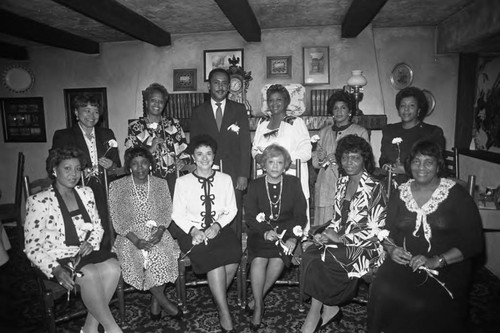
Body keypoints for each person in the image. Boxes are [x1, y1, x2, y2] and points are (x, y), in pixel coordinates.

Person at [367, 141, 484, 333]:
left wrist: (436, 261)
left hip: (446, 266)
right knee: (382, 289)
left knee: (421, 303)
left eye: (428, 162)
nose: (421, 167)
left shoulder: (457, 195)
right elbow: (387, 232)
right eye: (416, 161)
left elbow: (473, 243)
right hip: (404, 261)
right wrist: (392, 249)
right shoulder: (400, 192)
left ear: (438, 165)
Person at [24, 147, 122, 333]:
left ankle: (89, 328)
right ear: (54, 169)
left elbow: (97, 227)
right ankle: (113, 329)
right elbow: (31, 247)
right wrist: (55, 268)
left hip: (85, 253)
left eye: (78, 169)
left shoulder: (86, 193)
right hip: (57, 257)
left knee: (113, 268)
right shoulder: (39, 201)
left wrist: (91, 243)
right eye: (67, 168)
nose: (74, 174)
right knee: (90, 274)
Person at [300, 135, 387, 333]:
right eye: (345, 157)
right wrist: (325, 233)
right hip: (341, 241)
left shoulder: (375, 188)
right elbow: (338, 219)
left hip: (366, 247)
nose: (349, 163)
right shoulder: (342, 182)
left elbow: (377, 230)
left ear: (364, 159)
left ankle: (314, 315)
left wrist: (339, 238)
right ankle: (330, 308)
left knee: (324, 255)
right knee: (311, 251)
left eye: (355, 158)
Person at [171, 134, 242, 333]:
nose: (204, 158)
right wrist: (194, 230)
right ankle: (224, 310)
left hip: (219, 228)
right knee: (215, 261)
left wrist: (218, 226)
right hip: (191, 231)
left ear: (214, 156)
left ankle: (216, 294)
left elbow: (232, 209)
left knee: (234, 253)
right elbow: (177, 214)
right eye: (199, 154)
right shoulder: (183, 182)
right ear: (193, 156)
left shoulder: (225, 179)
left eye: (208, 154)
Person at [108, 147, 181, 321]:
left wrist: (161, 230)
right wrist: (136, 241)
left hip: (157, 232)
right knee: (141, 257)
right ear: (129, 167)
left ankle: (155, 302)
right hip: (129, 236)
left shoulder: (160, 183)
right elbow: (117, 219)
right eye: (135, 164)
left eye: (144, 163)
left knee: (162, 254)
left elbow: (166, 210)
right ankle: (164, 302)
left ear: (150, 165)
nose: (140, 168)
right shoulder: (117, 186)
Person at [244, 144, 308, 331]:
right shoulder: (255, 185)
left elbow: (300, 215)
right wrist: (264, 231)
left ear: (285, 166)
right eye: (270, 162)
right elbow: (250, 216)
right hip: (260, 234)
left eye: (279, 162)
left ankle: (257, 299)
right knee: (258, 262)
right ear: (264, 164)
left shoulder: (293, 183)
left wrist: (293, 239)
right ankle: (259, 307)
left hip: (286, 234)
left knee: (278, 261)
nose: (274, 166)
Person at [52, 93, 121, 251]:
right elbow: (53, 165)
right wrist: (79, 170)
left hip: (104, 191)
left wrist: (111, 166)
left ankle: (107, 258)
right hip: (77, 191)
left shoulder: (107, 134)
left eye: (95, 111)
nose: (92, 115)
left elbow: (118, 168)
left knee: (108, 227)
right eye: (87, 110)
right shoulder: (63, 135)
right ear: (76, 112)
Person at [190, 68, 251, 238]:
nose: (220, 87)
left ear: (229, 86)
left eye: (225, 83)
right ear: (209, 86)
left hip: (234, 173)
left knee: (233, 215)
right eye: (216, 83)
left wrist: (243, 174)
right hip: (207, 172)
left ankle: (234, 258)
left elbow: (245, 144)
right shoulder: (198, 112)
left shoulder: (238, 110)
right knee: (209, 213)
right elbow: (194, 145)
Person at [252, 84, 312, 227]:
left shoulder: (296, 122)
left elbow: (306, 151)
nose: (274, 104)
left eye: (279, 100)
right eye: (271, 100)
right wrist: (259, 157)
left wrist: (284, 160)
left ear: (286, 101)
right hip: (266, 179)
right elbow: (254, 148)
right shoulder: (263, 123)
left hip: (291, 179)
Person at [312, 90, 369, 226]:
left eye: (343, 108)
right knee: (323, 231)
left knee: (346, 228)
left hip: (349, 187)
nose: (339, 112)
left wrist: (339, 160)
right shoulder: (324, 132)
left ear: (350, 111)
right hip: (326, 187)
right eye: (335, 108)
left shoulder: (360, 132)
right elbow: (315, 163)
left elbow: (365, 162)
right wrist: (321, 159)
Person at [125, 83, 190, 195]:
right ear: (146, 102)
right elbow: (129, 158)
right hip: (146, 179)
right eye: (153, 100)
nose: (157, 104)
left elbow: (185, 150)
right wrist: (150, 150)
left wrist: (183, 161)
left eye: (161, 102)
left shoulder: (173, 124)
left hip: (173, 179)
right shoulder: (136, 127)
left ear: (164, 105)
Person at [379, 86, 445, 187]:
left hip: (420, 184)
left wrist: (407, 170)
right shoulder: (389, 130)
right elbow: (383, 158)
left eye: (411, 106)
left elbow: (437, 167)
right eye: (403, 106)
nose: (406, 109)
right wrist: (386, 166)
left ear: (419, 110)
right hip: (390, 183)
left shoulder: (432, 132)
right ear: (398, 109)